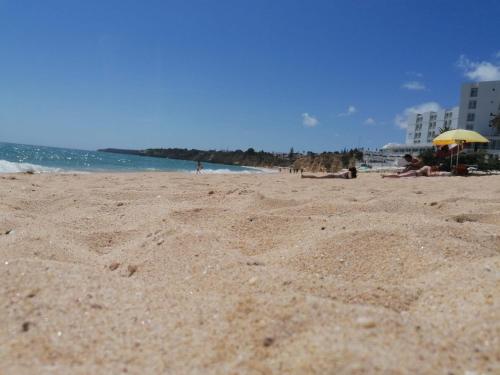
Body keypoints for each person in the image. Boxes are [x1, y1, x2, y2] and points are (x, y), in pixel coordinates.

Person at [382, 165, 451, 178]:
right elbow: (429, 174)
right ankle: (386, 175)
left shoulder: (426, 166)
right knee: (399, 176)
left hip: (414, 172)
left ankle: (386, 175)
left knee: (400, 175)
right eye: (437, 168)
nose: (436, 169)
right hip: (414, 173)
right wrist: (437, 174)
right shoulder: (428, 167)